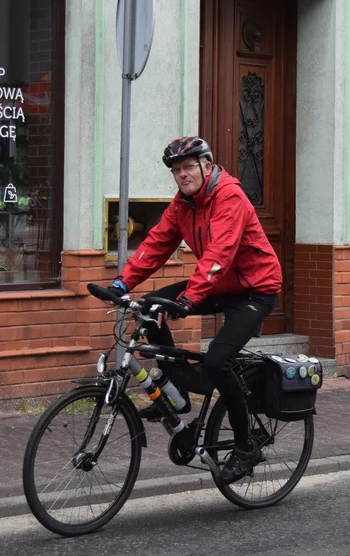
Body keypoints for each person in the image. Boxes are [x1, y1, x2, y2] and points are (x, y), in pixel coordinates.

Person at [107, 136, 283, 483]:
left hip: (255, 288)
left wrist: (188, 299)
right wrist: (122, 284)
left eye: (188, 167)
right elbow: (157, 243)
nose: (182, 174)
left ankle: (246, 445)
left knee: (218, 361)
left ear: (207, 165)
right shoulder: (184, 204)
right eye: (176, 170)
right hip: (219, 283)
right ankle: (178, 393)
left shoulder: (229, 196)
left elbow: (221, 253)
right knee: (150, 306)